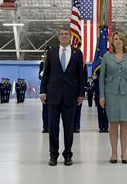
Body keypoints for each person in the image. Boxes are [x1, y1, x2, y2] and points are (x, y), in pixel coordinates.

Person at [39, 27, 85, 167]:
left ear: (71, 37)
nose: (64, 36)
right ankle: (53, 155)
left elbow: (81, 76)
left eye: (66, 34)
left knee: (68, 127)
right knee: (53, 127)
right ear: (58, 37)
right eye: (62, 34)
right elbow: (46, 73)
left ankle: (68, 155)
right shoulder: (51, 52)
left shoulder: (77, 53)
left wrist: (81, 94)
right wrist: (43, 91)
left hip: (70, 96)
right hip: (53, 95)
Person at [99, 31, 127, 164]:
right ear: (112, 41)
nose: (117, 41)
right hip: (111, 93)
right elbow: (101, 79)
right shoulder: (106, 57)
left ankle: (124, 153)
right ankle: (113, 153)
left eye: (120, 39)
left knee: (125, 123)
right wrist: (102, 95)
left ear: (124, 42)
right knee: (113, 123)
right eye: (115, 39)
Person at [39, 56, 49, 133]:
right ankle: (45, 127)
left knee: (52, 110)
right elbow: (39, 76)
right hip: (45, 89)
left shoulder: (54, 62)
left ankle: (51, 126)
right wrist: (41, 74)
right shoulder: (42, 64)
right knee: (45, 109)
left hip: (52, 88)